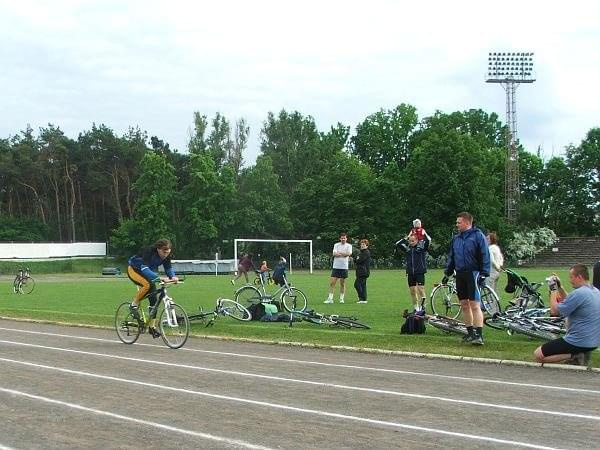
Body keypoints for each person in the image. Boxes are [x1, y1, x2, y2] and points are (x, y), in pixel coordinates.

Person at [534, 264, 600, 365]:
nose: (570, 280)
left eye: (571, 277)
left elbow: (554, 311)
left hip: (578, 342)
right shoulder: (595, 291)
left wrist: (553, 289)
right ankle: (577, 353)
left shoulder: (579, 293)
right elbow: (570, 301)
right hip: (593, 342)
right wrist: (560, 287)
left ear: (579, 277)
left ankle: (575, 354)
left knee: (538, 355)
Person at [444, 212, 490, 345]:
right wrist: (447, 272)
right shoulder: (456, 239)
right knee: (464, 304)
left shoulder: (478, 236)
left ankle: (479, 335)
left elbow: (484, 254)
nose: (457, 224)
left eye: (459, 222)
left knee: (475, 305)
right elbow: (452, 256)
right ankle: (469, 332)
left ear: (467, 222)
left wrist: (484, 273)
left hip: (473, 273)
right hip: (460, 273)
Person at [127, 238, 179, 338]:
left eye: (168, 252)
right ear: (158, 249)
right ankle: (133, 304)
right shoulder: (149, 251)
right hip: (134, 270)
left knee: (154, 301)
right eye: (164, 252)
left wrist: (173, 277)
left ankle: (152, 328)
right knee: (147, 285)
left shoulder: (166, 256)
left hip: (146, 273)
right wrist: (158, 278)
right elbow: (144, 268)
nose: (166, 255)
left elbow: (168, 268)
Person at [397, 231, 431, 310]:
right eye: (410, 241)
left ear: (417, 240)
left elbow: (428, 240)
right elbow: (398, 244)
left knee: (420, 289)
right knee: (412, 291)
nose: (411, 242)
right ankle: (416, 307)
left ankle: (423, 305)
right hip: (410, 273)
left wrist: (424, 233)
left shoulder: (421, 248)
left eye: (413, 241)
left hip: (419, 272)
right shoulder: (407, 249)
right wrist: (406, 238)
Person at [324, 232, 353, 304]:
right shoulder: (336, 245)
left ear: (346, 238)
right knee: (332, 283)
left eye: (344, 238)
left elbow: (348, 254)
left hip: (344, 267)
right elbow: (334, 254)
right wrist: (343, 254)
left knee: (342, 283)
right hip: (336, 267)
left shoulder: (349, 246)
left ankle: (341, 299)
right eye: (342, 238)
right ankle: (330, 299)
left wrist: (340, 253)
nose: (343, 239)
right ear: (340, 238)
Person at [353, 239, 371, 304]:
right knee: (363, 285)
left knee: (357, 285)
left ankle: (361, 298)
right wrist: (356, 259)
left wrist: (357, 259)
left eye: (364, 244)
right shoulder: (361, 252)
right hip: (360, 271)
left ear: (367, 246)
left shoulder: (366, 252)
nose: (362, 245)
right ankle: (364, 299)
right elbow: (356, 260)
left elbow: (359, 260)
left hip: (364, 271)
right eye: (361, 244)